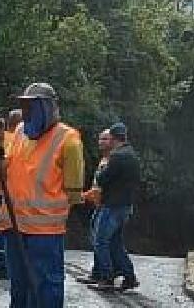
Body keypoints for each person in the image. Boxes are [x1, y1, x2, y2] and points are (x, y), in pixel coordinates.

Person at [0, 82, 84, 308]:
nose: (26, 111)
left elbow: (73, 192)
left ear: (48, 108)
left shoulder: (68, 139)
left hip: (45, 232)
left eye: (31, 106)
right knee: (19, 286)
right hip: (14, 225)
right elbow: (7, 169)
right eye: (24, 106)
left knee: (45, 287)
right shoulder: (20, 131)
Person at [86, 123, 140, 291]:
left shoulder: (117, 156)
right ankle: (129, 277)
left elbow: (102, 179)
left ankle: (106, 278)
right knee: (115, 243)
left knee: (101, 241)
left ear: (114, 138)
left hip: (112, 206)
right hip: (125, 205)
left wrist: (102, 172)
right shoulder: (132, 155)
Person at [76, 129, 112, 284]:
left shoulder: (111, 161)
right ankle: (97, 273)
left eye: (105, 139)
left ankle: (106, 276)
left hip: (105, 206)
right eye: (100, 139)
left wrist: (81, 196)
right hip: (99, 205)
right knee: (98, 240)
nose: (101, 142)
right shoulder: (104, 159)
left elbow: (100, 188)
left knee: (101, 241)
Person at [0, 109, 23, 281]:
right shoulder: (16, 140)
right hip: (10, 190)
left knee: (2, 227)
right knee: (7, 229)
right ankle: (3, 265)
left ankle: (1, 265)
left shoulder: (2, 137)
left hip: (0, 189)